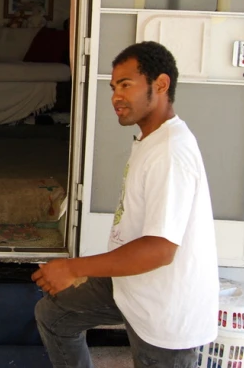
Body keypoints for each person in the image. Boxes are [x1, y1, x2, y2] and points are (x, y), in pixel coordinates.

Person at [32, 41, 219, 368]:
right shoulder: (151, 139)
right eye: (114, 87)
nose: (116, 96)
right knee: (54, 315)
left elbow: (160, 249)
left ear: (160, 85)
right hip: (130, 286)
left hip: (164, 310)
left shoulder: (171, 152)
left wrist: (74, 267)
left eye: (127, 85)